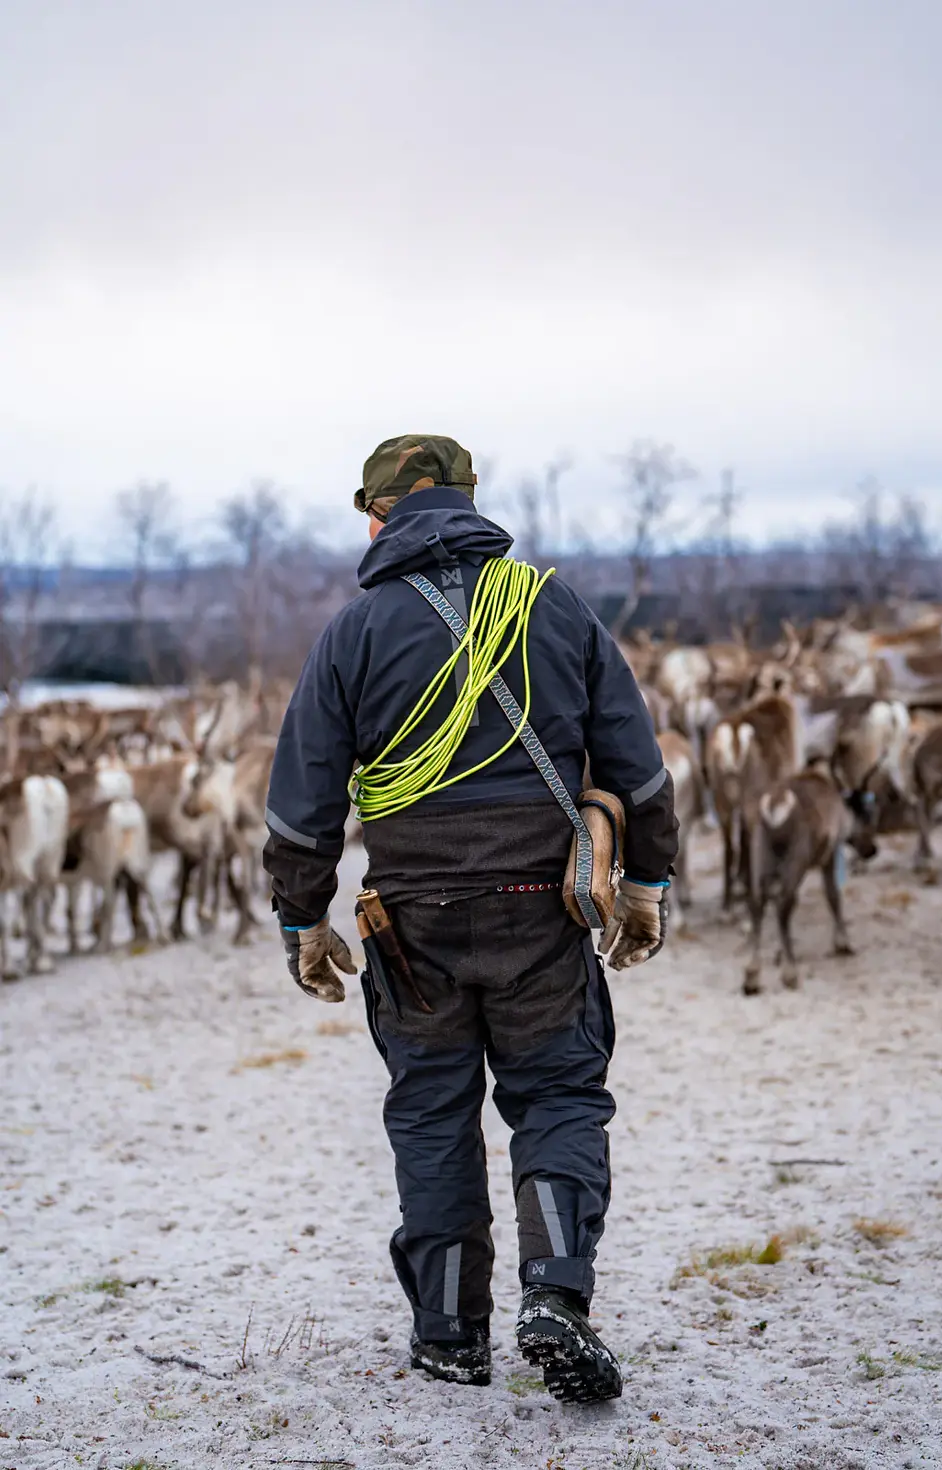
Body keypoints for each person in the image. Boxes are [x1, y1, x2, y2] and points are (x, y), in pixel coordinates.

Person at [264, 435, 678, 1403]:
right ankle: (556, 1298)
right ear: (466, 504)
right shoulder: (552, 605)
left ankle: (450, 1334)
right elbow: (640, 768)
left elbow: (300, 805)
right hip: (541, 912)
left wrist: (302, 922)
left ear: (380, 517)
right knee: (557, 1099)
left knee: (432, 1117)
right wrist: (645, 884)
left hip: (408, 928)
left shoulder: (351, 634)